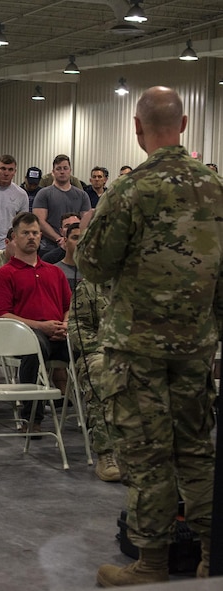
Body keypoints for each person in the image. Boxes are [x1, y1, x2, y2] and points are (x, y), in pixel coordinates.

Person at [78, 86, 222, 585]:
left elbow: (93, 266)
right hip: (198, 346)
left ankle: (152, 565)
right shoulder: (216, 188)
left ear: (137, 129)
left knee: (147, 456)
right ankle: (210, 561)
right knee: (198, 451)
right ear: (183, 126)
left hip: (136, 350)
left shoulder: (130, 189)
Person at [0, 212, 70, 433]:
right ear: (14, 237)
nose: (31, 237)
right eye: (25, 233)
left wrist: (66, 324)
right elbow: (2, 316)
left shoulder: (55, 272)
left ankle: (96, 417)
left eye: (35, 233)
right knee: (35, 346)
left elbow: (69, 307)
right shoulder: (3, 275)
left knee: (88, 346)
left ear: (41, 236)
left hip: (59, 334)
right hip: (21, 338)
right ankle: (32, 418)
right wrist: (41, 326)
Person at [67, 278, 120, 483]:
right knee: (100, 370)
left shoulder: (142, 282)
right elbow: (78, 328)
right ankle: (106, 454)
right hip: (99, 353)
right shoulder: (89, 287)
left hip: (138, 352)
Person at [33, 154, 90, 257]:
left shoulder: (82, 195)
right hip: (49, 248)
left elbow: (86, 221)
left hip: (75, 247)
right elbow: (39, 221)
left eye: (65, 168)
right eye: (58, 169)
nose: (62, 171)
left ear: (70, 171)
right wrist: (59, 239)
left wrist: (72, 239)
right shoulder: (44, 194)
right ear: (53, 172)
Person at [52, 223, 81, 291]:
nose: (79, 242)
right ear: (65, 240)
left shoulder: (93, 273)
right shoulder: (54, 272)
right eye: (75, 238)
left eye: (83, 238)